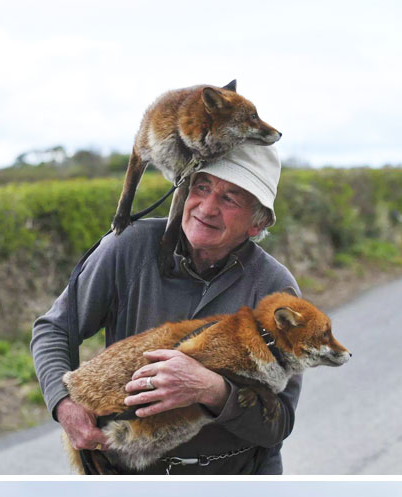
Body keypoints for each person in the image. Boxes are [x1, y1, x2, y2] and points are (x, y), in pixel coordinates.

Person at [31, 142, 302, 474]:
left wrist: (211, 390)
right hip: (126, 477)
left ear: (257, 223)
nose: (207, 208)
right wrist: (63, 405)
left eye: (230, 199)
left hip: (233, 479)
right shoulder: (128, 247)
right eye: (202, 187)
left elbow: (279, 422)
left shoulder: (274, 289)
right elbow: (54, 329)